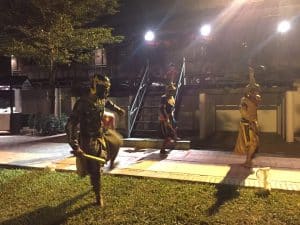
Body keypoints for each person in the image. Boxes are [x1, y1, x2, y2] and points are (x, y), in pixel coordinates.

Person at [65, 74, 125, 207]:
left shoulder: (101, 98)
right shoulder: (82, 103)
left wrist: (118, 109)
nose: (106, 91)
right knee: (95, 168)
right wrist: (76, 147)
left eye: (107, 88)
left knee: (117, 141)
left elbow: (107, 102)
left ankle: (108, 162)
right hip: (88, 139)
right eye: (103, 88)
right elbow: (70, 125)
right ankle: (98, 195)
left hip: (101, 132)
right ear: (94, 86)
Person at [234, 67, 261, 167]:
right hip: (247, 124)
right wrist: (251, 76)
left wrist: (251, 76)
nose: (256, 91)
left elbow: (253, 85)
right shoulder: (244, 100)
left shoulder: (255, 98)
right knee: (251, 143)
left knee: (254, 143)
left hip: (252, 123)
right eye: (253, 90)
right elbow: (243, 112)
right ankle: (248, 161)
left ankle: (248, 161)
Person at [159, 82, 179, 154]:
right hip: (164, 118)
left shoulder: (172, 98)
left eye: (172, 91)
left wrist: (172, 114)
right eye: (170, 91)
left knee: (175, 129)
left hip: (171, 116)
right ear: (167, 91)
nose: (171, 92)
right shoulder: (164, 97)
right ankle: (162, 149)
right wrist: (166, 118)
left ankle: (173, 144)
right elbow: (162, 108)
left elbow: (173, 107)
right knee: (168, 134)